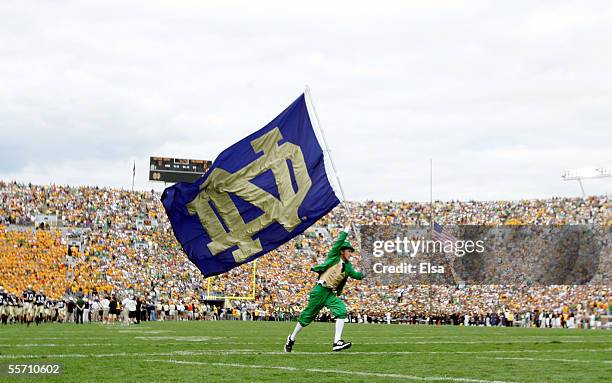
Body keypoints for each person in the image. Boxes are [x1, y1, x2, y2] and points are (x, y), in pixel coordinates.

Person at [285, 226, 363, 352]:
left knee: (341, 310)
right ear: (342, 251)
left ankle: (337, 342)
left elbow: (357, 276)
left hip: (330, 293)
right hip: (320, 290)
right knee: (307, 316)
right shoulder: (334, 257)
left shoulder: (348, 267)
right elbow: (337, 244)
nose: (350, 254)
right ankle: (292, 338)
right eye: (348, 251)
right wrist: (346, 231)